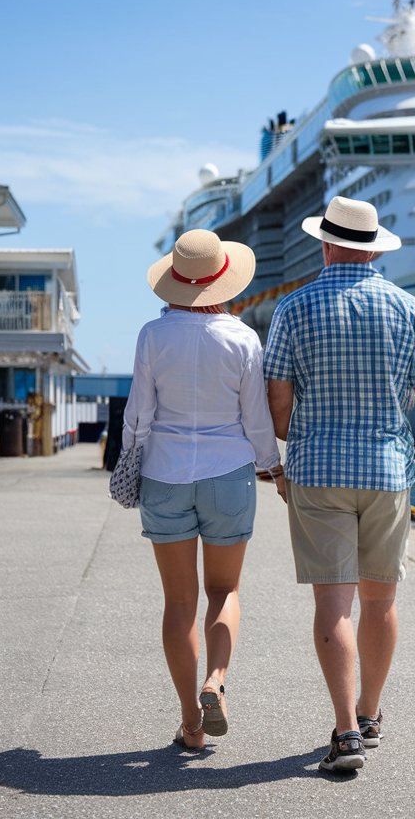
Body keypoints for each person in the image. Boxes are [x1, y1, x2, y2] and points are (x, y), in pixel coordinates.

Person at [264, 195, 415, 773]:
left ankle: (345, 731)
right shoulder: (408, 307)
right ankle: (370, 714)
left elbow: (276, 393)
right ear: (372, 248)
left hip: (318, 471)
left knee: (333, 604)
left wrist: (287, 446)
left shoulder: (293, 308)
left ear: (324, 242)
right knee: (381, 599)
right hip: (388, 471)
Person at [123, 229, 286, 752]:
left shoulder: (152, 335)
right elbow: (256, 420)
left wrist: (133, 458)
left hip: (165, 474)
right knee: (225, 591)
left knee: (178, 602)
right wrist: (274, 468)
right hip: (229, 473)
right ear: (223, 279)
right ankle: (216, 679)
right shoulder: (242, 338)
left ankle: (191, 723)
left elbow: (138, 415)